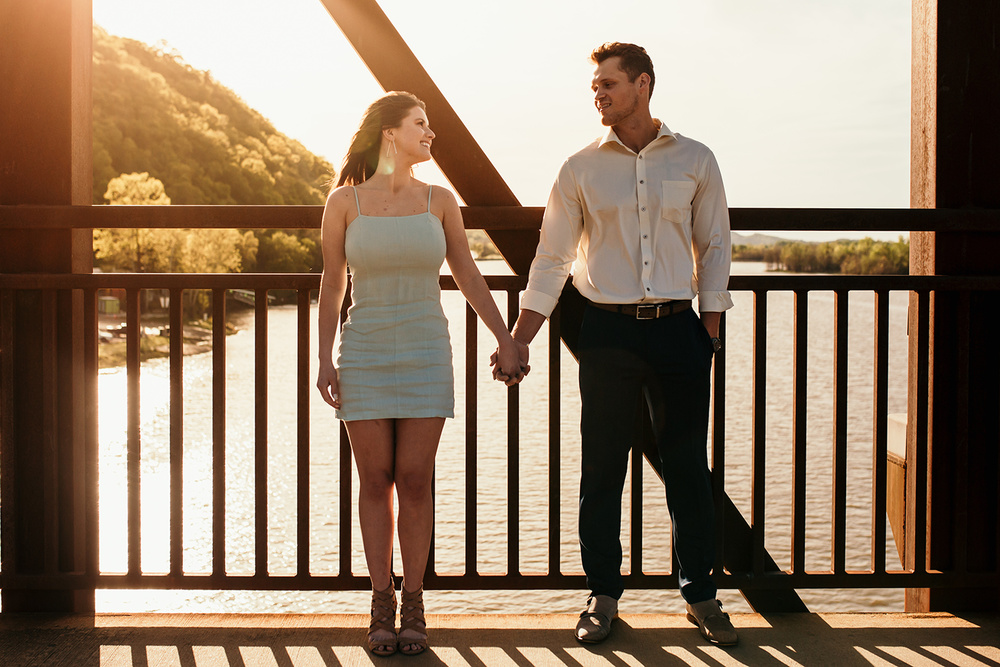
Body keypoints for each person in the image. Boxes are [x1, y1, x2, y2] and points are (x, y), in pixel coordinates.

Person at [494, 43, 737, 646]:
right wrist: (520, 338)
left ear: (643, 85)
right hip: (608, 333)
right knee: (601, 468)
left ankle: (701, 595)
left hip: (679, 331)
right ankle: (602, 595)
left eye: (607, 84)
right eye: (594, 86)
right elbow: (550, 260)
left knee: (686, 468)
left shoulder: (696, 158)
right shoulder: (579, 168)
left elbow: (716, 246)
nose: (597, 93)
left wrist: (707, 327)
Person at [317, 91, 525, 657]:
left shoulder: (440, 200)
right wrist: (323, 356)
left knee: (413, 478)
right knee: (374, 479)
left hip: (426, 351)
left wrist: (506, 337)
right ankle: (379, 600)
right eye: (420, 124)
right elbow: (333, 284)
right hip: (363, 352)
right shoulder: (344, 203)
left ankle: (414, 599)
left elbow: (468, 272)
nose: (430, 134)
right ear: (390, 132)